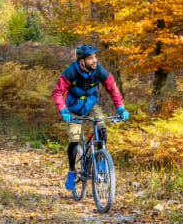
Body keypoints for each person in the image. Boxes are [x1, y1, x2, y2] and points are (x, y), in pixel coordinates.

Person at [52, 44, 129, 190]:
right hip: (73, 108)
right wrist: (63, 110)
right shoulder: (70, 71)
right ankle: (71, 171)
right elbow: (58, 91)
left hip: (91, 105)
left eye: (95, 57)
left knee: (102, 129)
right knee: (74, 139)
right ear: (81, 61)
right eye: (90, 58)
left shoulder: (99, 70)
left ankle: (100, 162)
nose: (94, 61)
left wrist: (121, 107)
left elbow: (112, 87)